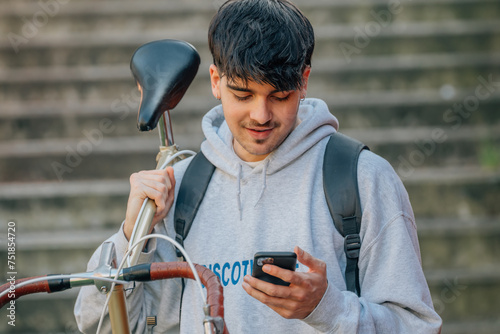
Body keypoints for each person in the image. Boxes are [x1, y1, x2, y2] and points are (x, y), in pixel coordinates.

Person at [75, 0, 442, 332]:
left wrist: (328, 309)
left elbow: (419, 326)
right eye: (243, 94)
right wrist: (131, 237)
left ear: (304, 81)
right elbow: (109, 326)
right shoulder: (184, 188)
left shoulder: (362, 179)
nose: (261, 115)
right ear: (216, 82)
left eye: (279, 96)